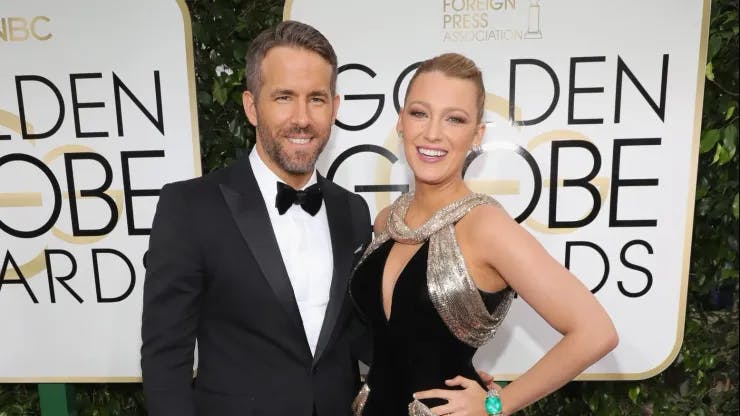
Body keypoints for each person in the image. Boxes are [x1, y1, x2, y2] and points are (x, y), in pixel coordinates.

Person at [349, 53, 619, 416]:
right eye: (419, 113)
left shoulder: (486, 227)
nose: (432, 133)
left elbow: (595, 331)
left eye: (455, 119)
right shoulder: (388, 221)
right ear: (401, 122)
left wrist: (498, 403)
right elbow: (396, 337)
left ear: (477, 135)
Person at [141, 20, 372, 416]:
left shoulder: (352, 209)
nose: (302, 117)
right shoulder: (190, 207)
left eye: (316, 98)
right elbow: (166, 359)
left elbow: (360, 334)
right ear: (251, 106)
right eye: (284, 97)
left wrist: (443, 361)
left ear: (334, 107)